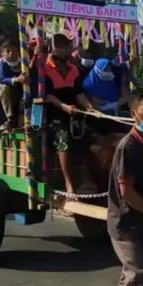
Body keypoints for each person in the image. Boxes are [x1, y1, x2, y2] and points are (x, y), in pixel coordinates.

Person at [107, 88, 143, 286]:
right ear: (133, 114)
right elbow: (127, 192)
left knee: (130, 275)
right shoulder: (128, 147)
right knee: (137, 274)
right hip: (126, 222)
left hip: (142, 221)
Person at [44, 32, 94, 197]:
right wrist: (64, 107)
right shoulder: (45, 68)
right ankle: (69, 183)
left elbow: (79, 93)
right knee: (63, 138)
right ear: (54, 48)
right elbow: (48, 95)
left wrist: (89, 107)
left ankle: (88, 179)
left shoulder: (75, 69)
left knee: (89, 134)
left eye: (66, 46)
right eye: (61, 47)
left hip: (74, 113)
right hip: (53, 115)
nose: (66, 50)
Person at [0, 36, 26, 132]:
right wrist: (16, 79)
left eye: (13, 50)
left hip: (23, 89)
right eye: (7, 51)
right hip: (10, 91)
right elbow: (2, 78)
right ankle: (10, 118)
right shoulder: (3, 64)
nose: (11, 53)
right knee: (4, 88)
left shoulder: (24, 62)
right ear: (2, 53)